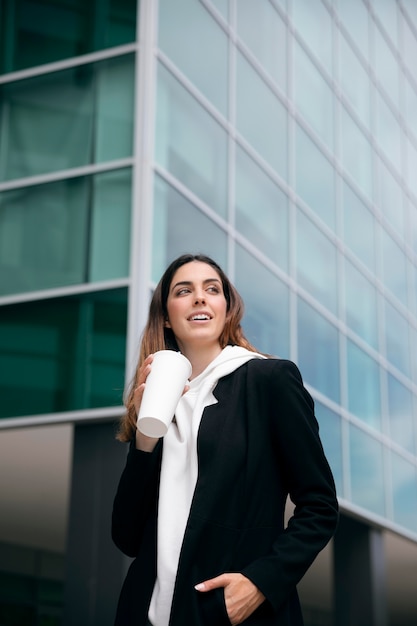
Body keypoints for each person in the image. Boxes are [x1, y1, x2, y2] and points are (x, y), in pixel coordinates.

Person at [112, 253, 339, 626]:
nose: (199, 298)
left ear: (226, 308)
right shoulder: (156, 402)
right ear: (167, 316)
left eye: (211, 289)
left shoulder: (269, 380)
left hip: (232, 615)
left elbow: (320, 506)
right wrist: (144, 438)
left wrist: (260, 583)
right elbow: (127, 537)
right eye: (184, 291)